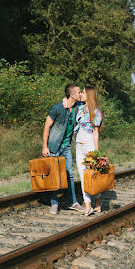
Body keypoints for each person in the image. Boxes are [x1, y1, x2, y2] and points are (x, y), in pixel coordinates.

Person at [42, 84, 84, 214]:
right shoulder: (57, 108)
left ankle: (74, 202)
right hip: (54, 146)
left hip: (66, 147)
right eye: (78, 92)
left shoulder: (77, 108)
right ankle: (54, 204)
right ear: (72, 95)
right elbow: (46, 127)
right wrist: (45, 146)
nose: (81, 94)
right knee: (54, 176)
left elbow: (89, 101)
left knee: (70, 175)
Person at [74, 86, 103, 216]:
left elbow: (95, 133)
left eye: (84, 92)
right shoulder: (81, 108)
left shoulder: (96, 112)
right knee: (82, 175)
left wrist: (96, 151)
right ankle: (88, 205)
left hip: (89, 145)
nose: (81, 94)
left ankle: (97, 202)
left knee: (92, 175)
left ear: (89, 95)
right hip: (78, 146)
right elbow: (71, 99)